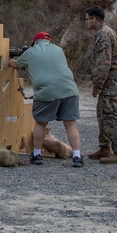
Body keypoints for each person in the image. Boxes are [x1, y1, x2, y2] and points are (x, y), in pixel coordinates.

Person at [10, 31, 84, 168]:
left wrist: (9, 60)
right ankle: (77, 156)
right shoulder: (59, 50)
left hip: (46, 91)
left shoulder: (30, 52)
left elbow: (16, 65)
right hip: (69, 90)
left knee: (41, 123)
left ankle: (37, 154)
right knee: (70, 124)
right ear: (49, 41)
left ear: (35, 42)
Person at [85, 7, 117, 164]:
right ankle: (104, 147)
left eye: (87, 19)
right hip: (109, 79)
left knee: (110, 114)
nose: (86, 22)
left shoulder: (103, 34)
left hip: (110, 79)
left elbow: (104, 62)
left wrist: (98, 83)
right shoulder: (105, 32)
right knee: (102, 113)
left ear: (95, 19)